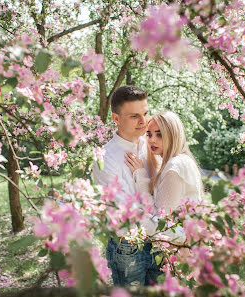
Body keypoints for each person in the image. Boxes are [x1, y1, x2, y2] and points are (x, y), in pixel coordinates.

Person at [92, 85, 161, 286]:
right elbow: (123, 215)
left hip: (158, 242)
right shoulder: (105, 158)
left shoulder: (150, 145)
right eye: (134, 116)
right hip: (129, 248)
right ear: (116, 119)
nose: (143, 121)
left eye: (145, 113)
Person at [124, 111, 202, 236]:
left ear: (173, 135)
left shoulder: (174, 168)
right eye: (149, 135)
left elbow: (159, 219)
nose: (152, 140)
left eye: (159, 135)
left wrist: (141, 176)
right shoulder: (178, 162)